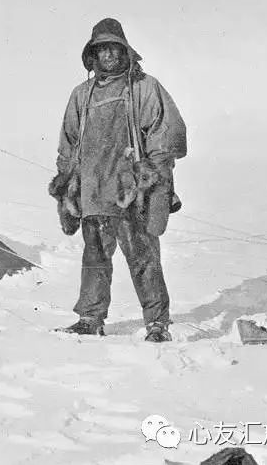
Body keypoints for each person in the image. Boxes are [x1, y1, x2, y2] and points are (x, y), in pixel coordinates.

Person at [49, 19, 187, 342]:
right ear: (93, 54)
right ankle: (90, 318)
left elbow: (168, 133)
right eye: (101, 48)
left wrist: (154, 174)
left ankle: (157, 322)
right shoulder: (81, 96)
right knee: (94, 259)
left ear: (123, 49)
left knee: (143, 257)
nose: (108, 54)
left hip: (130, 192)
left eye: (113, 47)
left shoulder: (143, 87)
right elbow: (67, 144)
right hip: (94, 192)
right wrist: (68, 184)